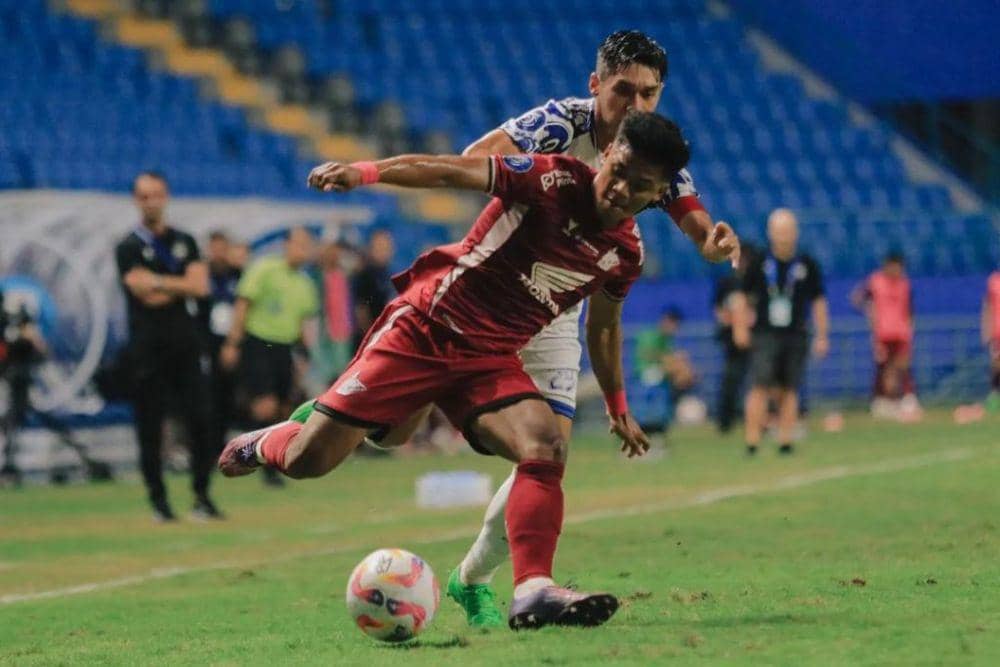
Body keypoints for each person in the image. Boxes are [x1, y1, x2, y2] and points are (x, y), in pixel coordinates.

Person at [282, 30, 738, 629]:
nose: (636, 105)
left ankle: (476, 578)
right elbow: (475, 161)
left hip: (554, 307)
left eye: (649, 94)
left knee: (547, 452)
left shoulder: (651, 154)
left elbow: (696, 224)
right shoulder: (557, 125)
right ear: (595, 84)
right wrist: (525, 180)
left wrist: (713, 242)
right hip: (493, 279)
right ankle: (345, 407)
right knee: (393, 436)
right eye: (624, 89)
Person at [115, 171, 221, 521]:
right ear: (136, 200)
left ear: (166, 196)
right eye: (144, 196)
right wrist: (179, 284)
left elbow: (200, 286)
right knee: (150, 425)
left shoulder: (185, 241)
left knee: (201, 419)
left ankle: (202, 495)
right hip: (147, 349)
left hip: (185, 345)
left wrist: (159, 281)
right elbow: (140, 291)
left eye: (156, 194)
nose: (151, 201)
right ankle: (159, 502)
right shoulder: (127, 246)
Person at [221, 227, 319, 487]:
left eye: (307, 245)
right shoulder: (264, 269)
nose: (303, 250)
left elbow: (303, 323)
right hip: (258, 343)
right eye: (299, 244)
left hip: (284, 348)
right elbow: (243, 304)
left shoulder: (305, 284)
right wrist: (233, 342)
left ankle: (272, 460)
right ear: (286, 245)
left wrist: (305, 353)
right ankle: (254, 461)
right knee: (264, 405)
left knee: (285, 408)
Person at [733, 208, 829, 456]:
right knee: (759, 385)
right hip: (765, 333)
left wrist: (822, 335)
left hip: (796, 333)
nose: (784, 236)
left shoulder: (807, 264)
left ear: (795, 232)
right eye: (779, 231)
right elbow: (742, 297)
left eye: (788, 230)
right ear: (770, 232)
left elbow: (818, 301)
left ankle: (785, 439)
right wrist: (740, 328)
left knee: (790, 387)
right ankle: (752, 439)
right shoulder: (759, 262)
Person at [851, 251, 920, 421]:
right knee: (883, 368)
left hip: (901, 332)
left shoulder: (905, 284)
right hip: (882, 333)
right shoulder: (875, 281)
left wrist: (910, 329)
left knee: (902, 367)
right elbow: (857, 298)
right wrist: (869, 312)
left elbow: (910, 310)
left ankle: (906, 399)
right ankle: (880, 401)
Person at [200, 230, 243, 453]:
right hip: (207, 343)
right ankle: (209, 449)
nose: (218, 254)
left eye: (222, 248)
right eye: (214, 248)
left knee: (230, 396)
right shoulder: (201, 274)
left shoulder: (238, 274)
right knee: (208, 398)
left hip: (232, 342)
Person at [633, 306, 696, 445]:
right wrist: (675, 363)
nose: (675, 328)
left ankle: (676, 401)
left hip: (659, 375)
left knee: (682, 368)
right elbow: (648, 355)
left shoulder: (667, 339)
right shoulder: (650, 335)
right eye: (674, 324)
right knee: (681, 368)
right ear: (667, 321)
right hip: (645, 374)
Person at [713, 245, 755, 432]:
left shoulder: (756, 281)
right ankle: (725, 421)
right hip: (731, 341)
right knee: (730, 380)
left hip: (756, 339)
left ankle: (762, 420)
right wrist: (735, 322)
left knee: (759, 381)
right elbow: (718, 309)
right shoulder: (726, 282)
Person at [350, 229, 395, 351]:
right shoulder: (364, 275)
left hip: (384, 341)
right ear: (371, 249)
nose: (383, 251)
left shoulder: (388, 275)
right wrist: (371, 339)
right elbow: (361, 311)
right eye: (379, 247)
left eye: (386, 247)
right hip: (368, 343)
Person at [983, 269, 1000, 412]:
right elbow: (987, 307)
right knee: (996, 364)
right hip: (997, 331)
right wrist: (986, 329)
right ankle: (994, 395)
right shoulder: (993, 280)